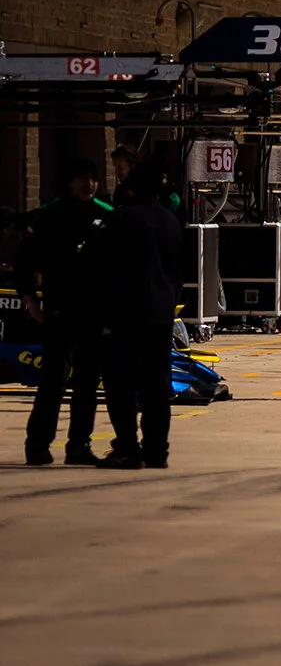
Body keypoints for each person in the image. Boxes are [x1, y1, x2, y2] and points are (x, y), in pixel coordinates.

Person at [21, 158, 112, 466]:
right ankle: (37, 444)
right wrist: (29, 298)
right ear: (69, 181)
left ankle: (79, 445)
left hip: (95, 312)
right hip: (59, 311)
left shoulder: (105, 216)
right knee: (53, 380)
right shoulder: (48, 217)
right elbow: (25, 260)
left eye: (93, 179)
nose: (89, 185)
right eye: (82, 178)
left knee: (87, 382)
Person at [97, 157, 186, 469]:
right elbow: (179, 271)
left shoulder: (121, 219)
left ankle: (128, 448)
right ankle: (156, 450)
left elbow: (104, 268)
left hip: (126, 314)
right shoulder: (170, 221)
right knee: (157, 384)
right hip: (161, 314)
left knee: (121, 383)